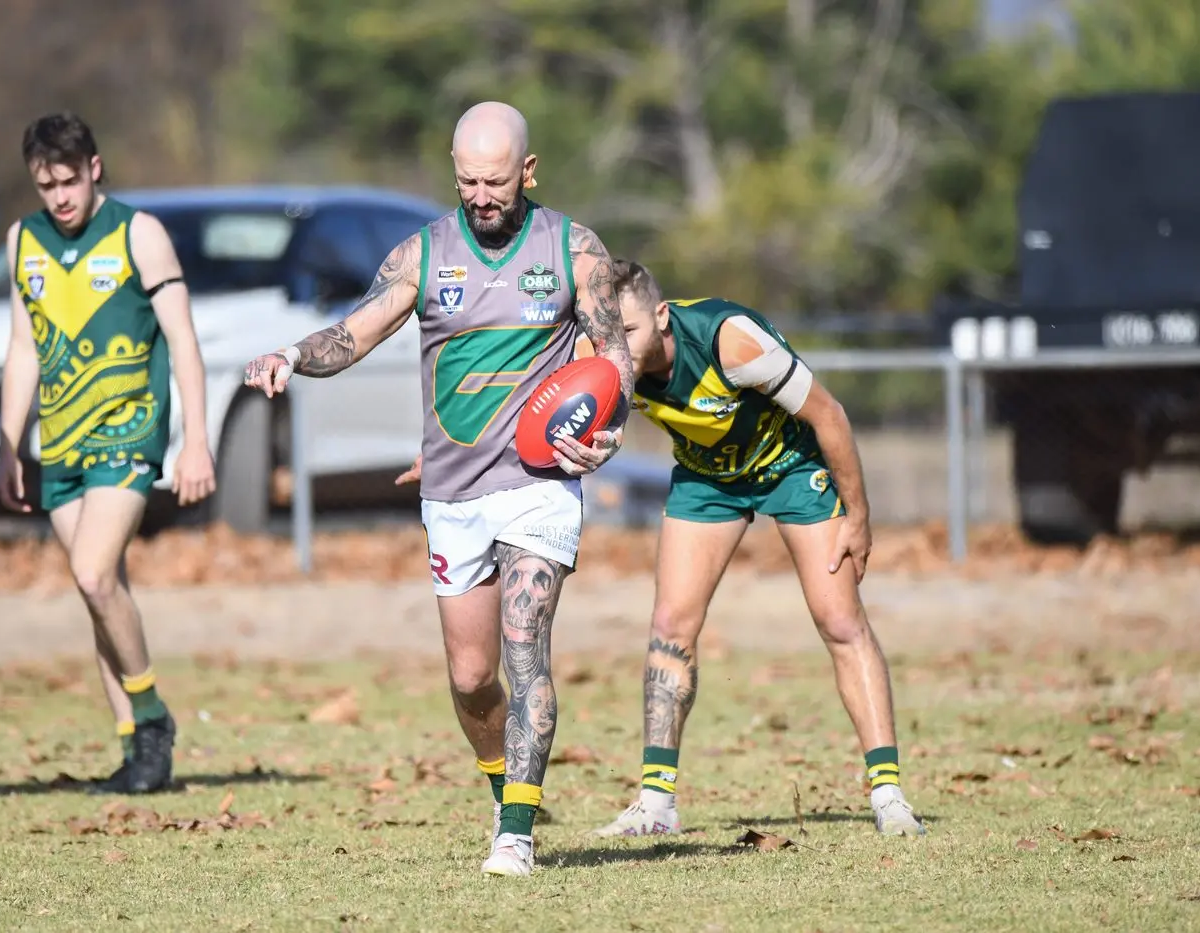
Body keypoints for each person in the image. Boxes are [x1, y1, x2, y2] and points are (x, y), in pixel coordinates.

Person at [245, 101, 634, 877]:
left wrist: (604, 428)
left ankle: (516, 833)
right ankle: (502, 784)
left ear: (527, 171)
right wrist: (291, 354)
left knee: (526, 645)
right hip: (453, 492)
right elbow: (354, 331)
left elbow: (614, 351)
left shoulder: (571, 248)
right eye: (466, 181)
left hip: (538, 482)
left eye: (495, 181)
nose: (480, 196)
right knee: (470, 674)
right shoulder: (425, 254)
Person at [571, 260, 926, 838]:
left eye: (628, 332)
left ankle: (889, 797)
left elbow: (830, 416)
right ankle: (656, 805)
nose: (616, 347)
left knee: (839, 620)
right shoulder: (600, 355)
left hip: (794, 464)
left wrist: (858, 516)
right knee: (670, 623)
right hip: (706, 476)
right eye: (607, 334)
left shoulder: (729, 341)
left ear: (662, 317)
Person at [0, 112, 217, 795]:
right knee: (103, 594)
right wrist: (10, 446)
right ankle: (135, 752)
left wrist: (196, 441)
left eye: (68, 181)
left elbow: (182, 339)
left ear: (94, 168)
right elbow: (23, 346)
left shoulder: (137, 233)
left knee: (92, 576)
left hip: (128, 431)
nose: (59, 197)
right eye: (45, 185)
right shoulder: (21, 241)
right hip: (59, 442)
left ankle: (151, 717)